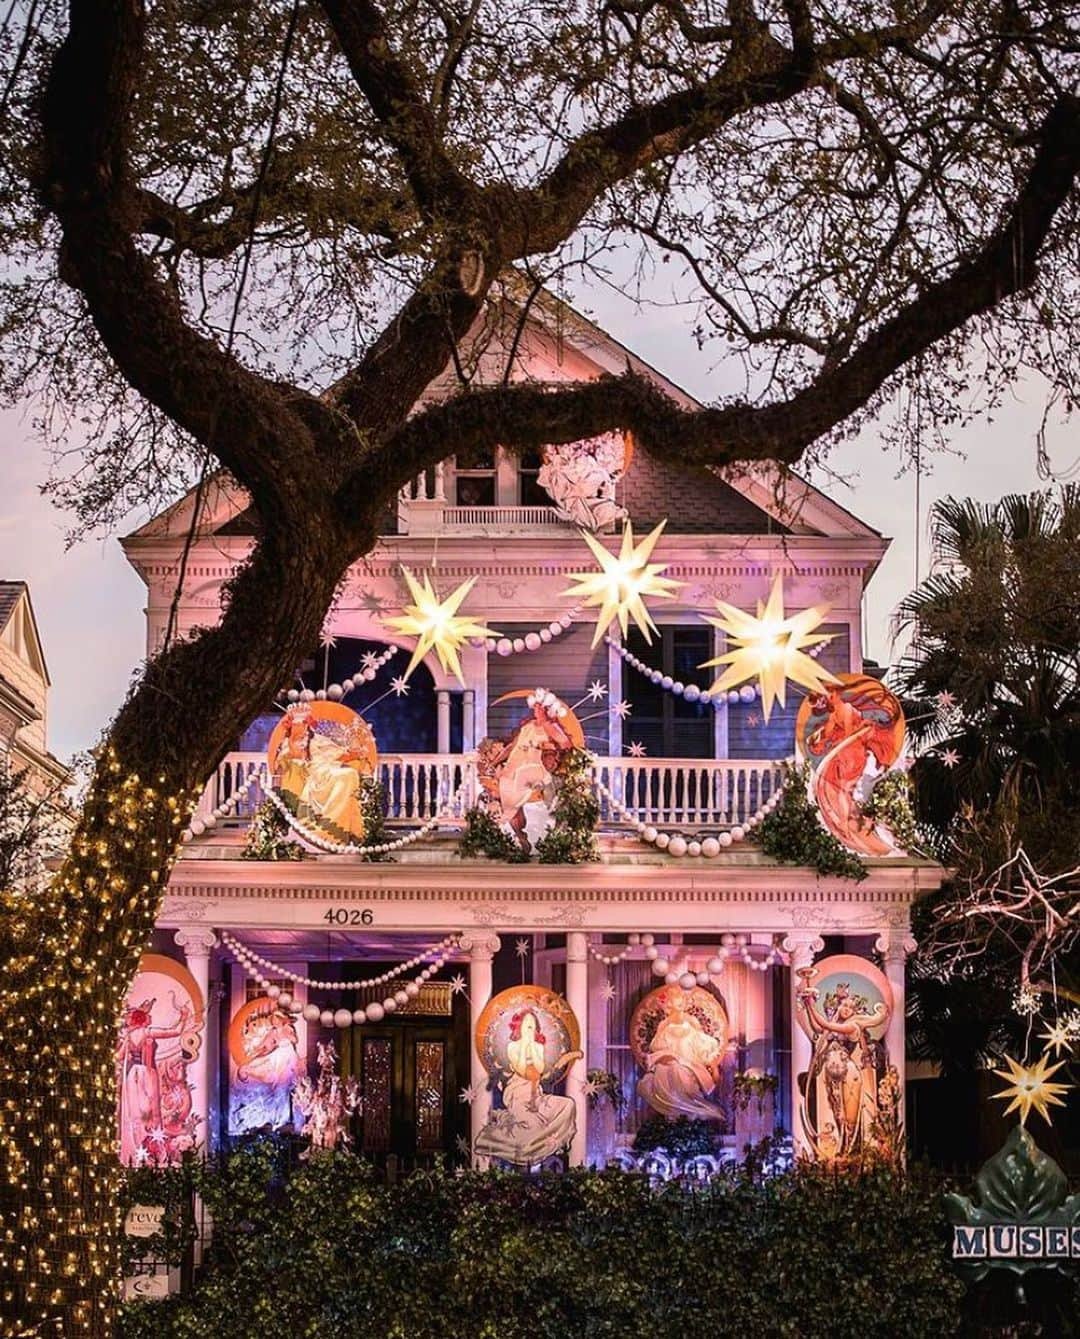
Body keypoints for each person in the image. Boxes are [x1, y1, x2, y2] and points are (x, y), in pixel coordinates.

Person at [475, 1008, 582, 1165]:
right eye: (527, 1023)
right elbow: (522, 1069)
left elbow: (538, 1070)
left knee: (568, 1104)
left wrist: (533, 1047)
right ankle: (501, 1135)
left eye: (533, 1024)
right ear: (520, 1026)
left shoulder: (538, 1047)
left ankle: (549, 1144)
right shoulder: (512, 1047)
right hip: (518, 1092)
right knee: (531, 1126)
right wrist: (525, 1046)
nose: (530, 1027)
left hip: (536, 1095)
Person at [797, 982, 887, 1159]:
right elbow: (817, 1027)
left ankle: (852, 1151)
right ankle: (842, 1149)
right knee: (837, 1112)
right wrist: (809, 1005)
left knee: (850, 1115)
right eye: (844, 1005)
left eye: (850, 1007)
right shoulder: (836, 1021)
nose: (846, 1009)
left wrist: (810, 1003)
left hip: (850, 1074)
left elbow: (823, 1024)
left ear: (855, 1011)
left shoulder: (853, 1025)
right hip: (833, 1074)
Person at [636, 992, 726, 1122]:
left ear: (684, 1004)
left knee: (682, 1075)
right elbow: (656, 1046)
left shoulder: (691, 1021)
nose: (676, 1006)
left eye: (679, 1003)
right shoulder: (664, 1023)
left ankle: (687, 1115)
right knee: (668, 1070)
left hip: (688, 1063)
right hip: (668, 1063)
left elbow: (700, 1041)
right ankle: (673, 1115)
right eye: (673, 1002)